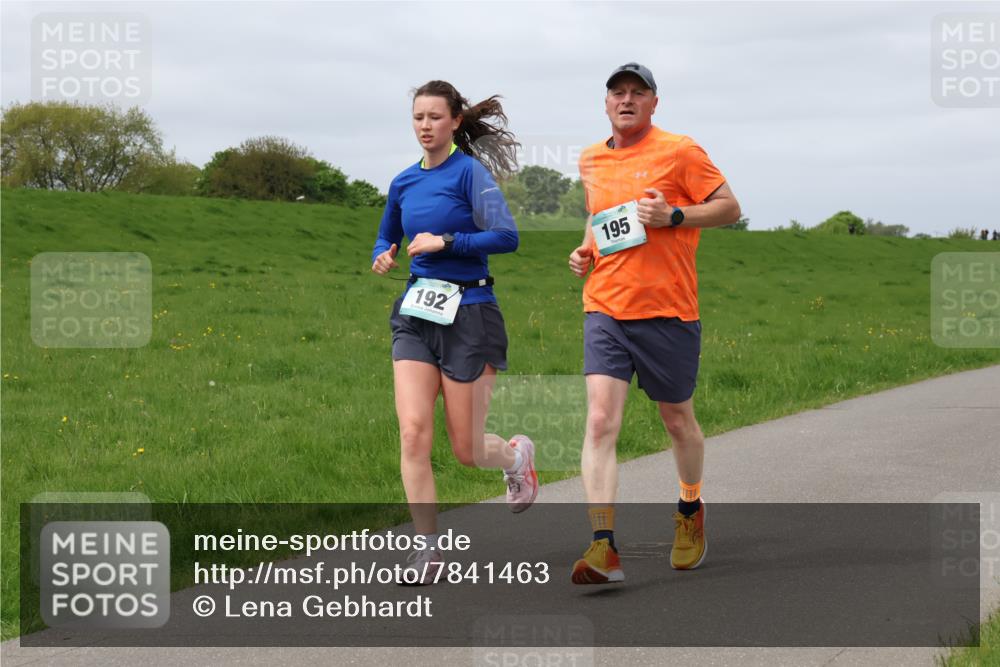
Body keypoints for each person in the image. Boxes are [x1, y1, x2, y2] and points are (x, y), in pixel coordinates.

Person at [567, 63, 741, 584]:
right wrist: (585, 249)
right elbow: (599, 215)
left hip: (668, 311)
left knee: (677, 421)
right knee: (601, 421)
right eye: (617, 92)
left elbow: (729, 208)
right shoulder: (591, 158)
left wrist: (675, 217)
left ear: (653, 103)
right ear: (605, 103)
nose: (626, 100)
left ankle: (690, 508)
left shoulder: (680, 151)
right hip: (605, 306)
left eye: (637, 93)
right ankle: (603, 546)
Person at [371, 80, 538, 585]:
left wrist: (445, 241)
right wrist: (384, 253)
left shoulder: (470, 174)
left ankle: (516, 458)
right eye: (418, 117)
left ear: (455, 121)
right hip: (416, 314)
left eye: (435, 117)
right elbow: (387, 233)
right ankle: (427, 550)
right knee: (413, 433)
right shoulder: (403, 182)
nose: (425, 126)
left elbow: (506, 237)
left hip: (470, 313)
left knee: (467, 449)